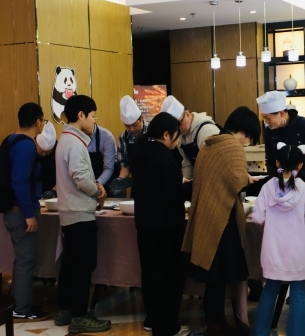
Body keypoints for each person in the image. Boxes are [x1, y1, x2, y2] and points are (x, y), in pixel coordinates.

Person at [182, 106, 261, 336]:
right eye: (250, 137)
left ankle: (215, 323)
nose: (248, 142)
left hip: (205, 217)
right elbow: (238, 182)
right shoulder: (232, 146)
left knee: (213, 280)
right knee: (219, 278)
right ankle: (216, 327)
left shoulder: (210, 144)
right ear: (244, 131)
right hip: (222, 221)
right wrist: (249, 180)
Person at [256, 90, 305, 307]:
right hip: (281, 186)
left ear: (281, 113)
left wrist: (303, 178)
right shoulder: (270, 130)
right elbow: (271, 159)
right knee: (293, 238)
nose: (267, 123)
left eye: (268, 118)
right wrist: (276, 184)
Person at [251, 143, 305, 336]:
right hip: (298, 252)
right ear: (300, 165)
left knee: (269, 291)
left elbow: (257, 218)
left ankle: (259, 333)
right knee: (298, 294)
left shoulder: (267, 187)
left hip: (273, 251)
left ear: (277, 163)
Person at [54, 95, 111, 334]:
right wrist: (98, 190)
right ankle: (79, 316)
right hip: (79, 213)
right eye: (93, 115)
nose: (94, 120)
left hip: (71, 212)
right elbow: (80, 178)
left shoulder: (66, 139)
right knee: (82, 266)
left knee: (70, 264)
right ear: (81, 115)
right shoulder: (75, 143)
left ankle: (66, 310)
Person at [132, 112, 190, 336]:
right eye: (176, 136)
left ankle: (153, 320)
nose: (177, 141)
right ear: (166, 134)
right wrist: (192, 187)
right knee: (169, 278)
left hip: (145, 225)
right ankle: (168, 327)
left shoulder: (143, 152)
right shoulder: (164, 158)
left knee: (150, 274)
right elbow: (174, 194)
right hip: (166, 228)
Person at [2, 102, 49, 322]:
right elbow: (19, 182)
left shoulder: (10, 139)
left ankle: (17, 302)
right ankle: (21, 308)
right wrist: (29, 214)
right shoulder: (26, 146)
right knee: (26, 261)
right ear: (38, 122)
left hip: (13, 210)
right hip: (21, 212)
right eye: (43, 121)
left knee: (21, 259)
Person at [161, 95, 220, 180]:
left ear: (187, 114)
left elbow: (215, 165)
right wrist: (186, 182)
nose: (178, 130)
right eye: (175, 127)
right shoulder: (180, 135)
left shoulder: (206, 130)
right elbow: (187, 164)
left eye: (179, 124)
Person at [109, 95, 149, 198]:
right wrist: (120, 181)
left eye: (134, 125)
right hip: (137, 184)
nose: (131, 129)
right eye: (127, 126)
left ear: (142, 118)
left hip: (156, 183)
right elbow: (125, 165)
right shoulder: (124, 137)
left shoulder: (153, 132)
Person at [87, 121, 117, 187]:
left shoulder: (106, 136)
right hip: (85, 182)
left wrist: (97, 184)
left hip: (106, 181)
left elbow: (109, 168)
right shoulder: (74, 138)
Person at [36, 121, 57, 198]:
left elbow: (65, 177)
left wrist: (54, 191)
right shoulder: (30, 148)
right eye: (41, 151)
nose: (44, 154)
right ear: (35, 143)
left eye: (48, 152)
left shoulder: (59, 150)